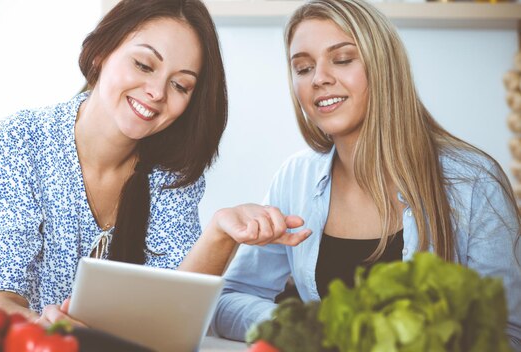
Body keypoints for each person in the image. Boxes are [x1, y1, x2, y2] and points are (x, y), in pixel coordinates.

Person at [0, 0, 311, 325]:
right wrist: (49, 333)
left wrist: (221, 232)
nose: (156, 92)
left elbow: (173, 313)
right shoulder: (20, 140)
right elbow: (0, 297)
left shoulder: (173, 173)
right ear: (101, 52)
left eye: (180, 84)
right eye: (144, 65)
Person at [212, 0, 521, 349]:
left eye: (342, 60)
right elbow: (228, 301)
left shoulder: (474, 182)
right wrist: (307, 327)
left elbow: (508, 333)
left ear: (384, 67)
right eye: (302, 68)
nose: (320, 79)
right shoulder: (294, 178)